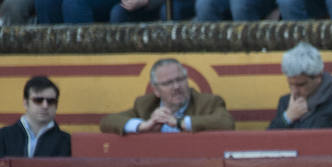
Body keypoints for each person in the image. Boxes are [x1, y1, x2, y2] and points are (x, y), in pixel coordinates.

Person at [99, 59, 234, 134]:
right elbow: (107, 122)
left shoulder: (208, 102)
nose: (176, 87)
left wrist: (180, 122)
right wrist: (143, 126)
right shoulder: (145, 105)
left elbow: (227, 123)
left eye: (180, 79)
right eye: (168, 83)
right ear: (156, 90)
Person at [267, 42, 332, 130]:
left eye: (301, 85)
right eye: (290, 85)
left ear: (318, 77)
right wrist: (286, 118)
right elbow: (269, 145)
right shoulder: (285, 103)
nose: (294, 91)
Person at [0, 76, 72, 158]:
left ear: (56, 105)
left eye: (51, 101)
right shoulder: (1, 137)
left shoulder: (68, 142)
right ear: (25, 103)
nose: (45, 105)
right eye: (38, 100)